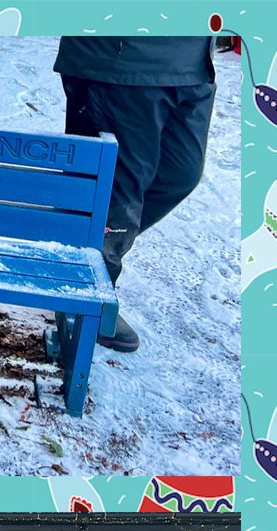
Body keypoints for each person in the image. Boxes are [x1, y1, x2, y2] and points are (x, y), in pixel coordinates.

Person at [54, 36, 216, 353]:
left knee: (180, 173)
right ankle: (89, 294)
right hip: (122, 60)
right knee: (117, 194)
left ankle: (75, 250)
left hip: (193, 61)